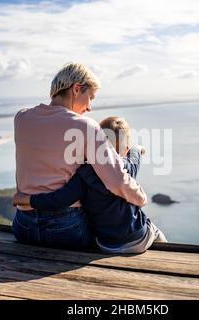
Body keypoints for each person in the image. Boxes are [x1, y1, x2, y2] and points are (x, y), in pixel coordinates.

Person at [13, 63, 147, 250]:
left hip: (23, 226)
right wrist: (141, 199)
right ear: (76, 89)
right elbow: (117, 181)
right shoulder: (85, 127)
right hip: (65, 229)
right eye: (90, 97)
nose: (90, 107)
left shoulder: (21, 117)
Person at [14, 116, 167, 254]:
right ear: (124, 150)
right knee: (154, 231)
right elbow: (134, 158)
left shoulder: (82, 175)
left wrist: (29, 200)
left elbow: (58, 200)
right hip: (137, 238)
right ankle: (169, 254)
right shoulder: (125, 168)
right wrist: (138, 148)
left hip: (106, 245)